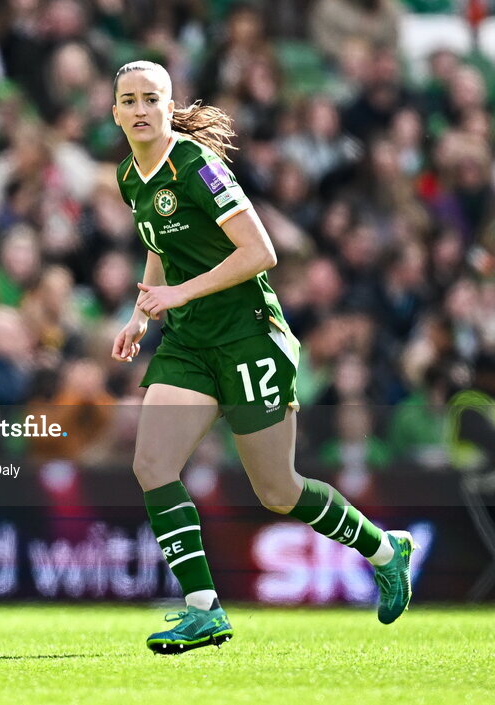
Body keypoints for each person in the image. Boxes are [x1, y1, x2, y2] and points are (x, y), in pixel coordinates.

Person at [108, 61, 418, 654]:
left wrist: (180, 292)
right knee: (151, 464)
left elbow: (262, 251)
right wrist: (143, 312)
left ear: (168, 107)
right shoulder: (130, 176)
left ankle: (385, 548)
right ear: (115, 112)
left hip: (249, 336)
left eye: (152, 98)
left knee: (277, 490)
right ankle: (203, 609)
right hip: (191, 343)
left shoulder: (197, 166)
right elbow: (158, 246)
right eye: (130, 100)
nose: (141, 110)